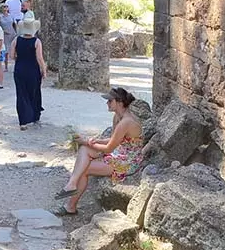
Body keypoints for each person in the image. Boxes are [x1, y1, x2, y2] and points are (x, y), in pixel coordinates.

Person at [54, 87, 144, 216]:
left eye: (109, 101)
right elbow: (114, 139)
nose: (107, 103)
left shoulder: (126, 122)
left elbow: (109, 148)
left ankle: (70, 206)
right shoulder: (118, 117)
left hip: (127, 162)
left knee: (84, 169)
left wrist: (85, 141)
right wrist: (93, 141)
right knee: (85, 149)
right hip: (119, 152)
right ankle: (72, 184)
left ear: (119, 102)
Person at [9, 12, 47, 130]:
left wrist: (19, 57)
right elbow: (39, 58)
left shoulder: (16, 40)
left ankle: (23, 121)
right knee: (34, 93)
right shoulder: (36, 42)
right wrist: (44, 70)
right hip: (33, 70)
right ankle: (35, 116)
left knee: (21, 94)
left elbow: (11, 55)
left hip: (20, 69)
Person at [0, 3, 16, 72]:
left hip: (12, 34)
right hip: (4, 35)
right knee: (6, 51)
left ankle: (15, 66)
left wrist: (16, 32)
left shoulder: (11, 16)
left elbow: (14, 24)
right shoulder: (0, 17)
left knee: (14, 50)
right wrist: (3, 32)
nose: (5, 8)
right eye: (4, 7)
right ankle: (6, 66)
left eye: (6, 6)